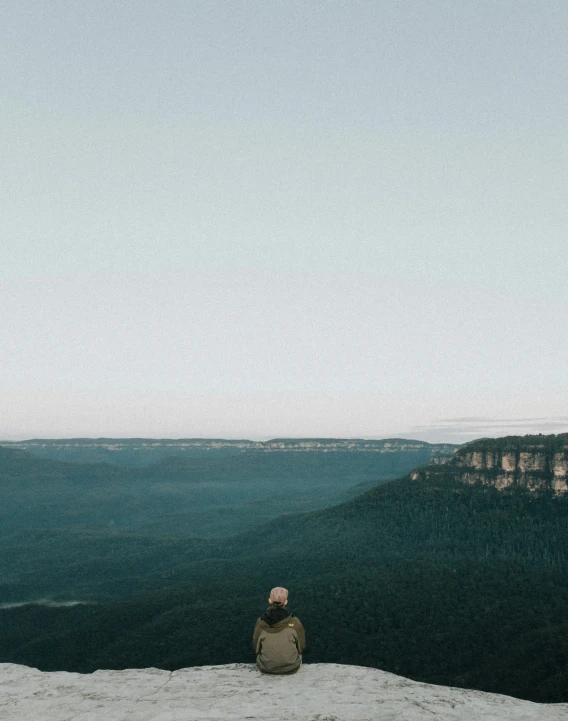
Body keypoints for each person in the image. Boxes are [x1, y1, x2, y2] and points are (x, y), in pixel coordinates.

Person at [253, 586, 306, 674]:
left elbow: (256, 648)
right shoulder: (294, 622)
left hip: (266, 667)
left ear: (269, 601)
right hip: (291, 667)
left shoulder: (261, 622)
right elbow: (301, 647)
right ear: (286, 602)